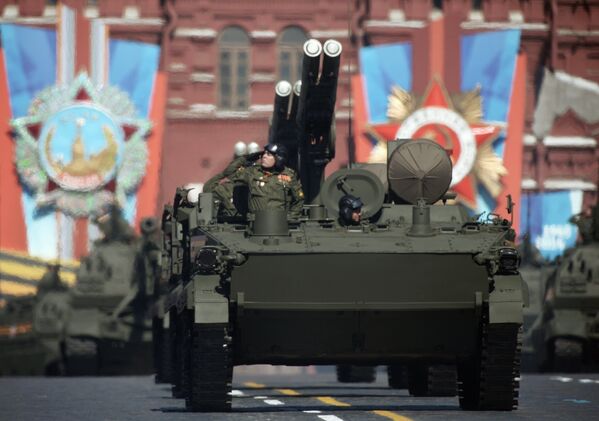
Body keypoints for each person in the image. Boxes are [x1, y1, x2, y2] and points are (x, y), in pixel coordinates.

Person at [206, 143, 304, 218]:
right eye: (264, 154)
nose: (264, 156)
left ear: (279, 158)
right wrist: (248, 158)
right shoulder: (253, 172)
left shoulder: (289, 175)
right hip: (256, 223)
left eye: (269, 154)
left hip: (278, 224)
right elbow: (229, 173)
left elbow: (299, 200)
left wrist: (290, 217)